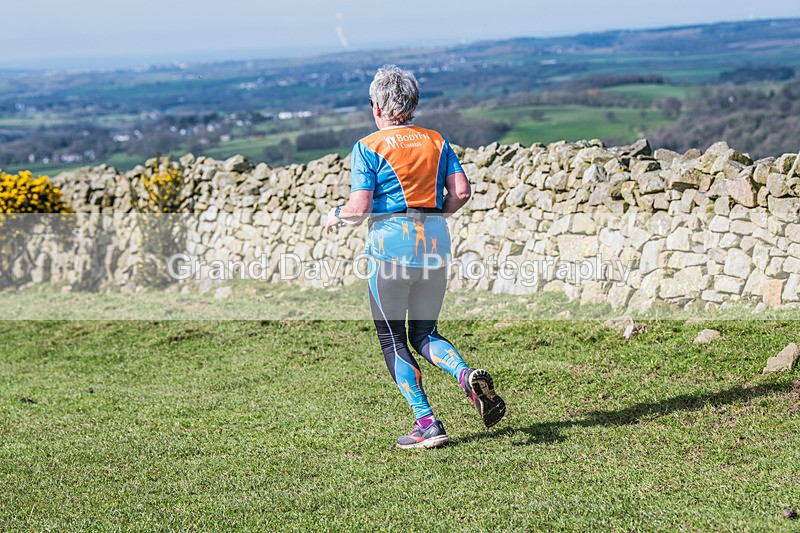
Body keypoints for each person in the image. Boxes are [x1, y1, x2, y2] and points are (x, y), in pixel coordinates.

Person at [325, 65, 505, 449]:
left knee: (392, 340)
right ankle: (464, 374)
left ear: (377, 104)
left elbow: (359, 207)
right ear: (412, 102)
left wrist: (336, 215)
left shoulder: (368, 146)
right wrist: (433, 215)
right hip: (435, 246)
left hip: (390, 250)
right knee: (425, 332)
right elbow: (461, 192)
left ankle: (427, 423)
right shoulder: (436, 140)